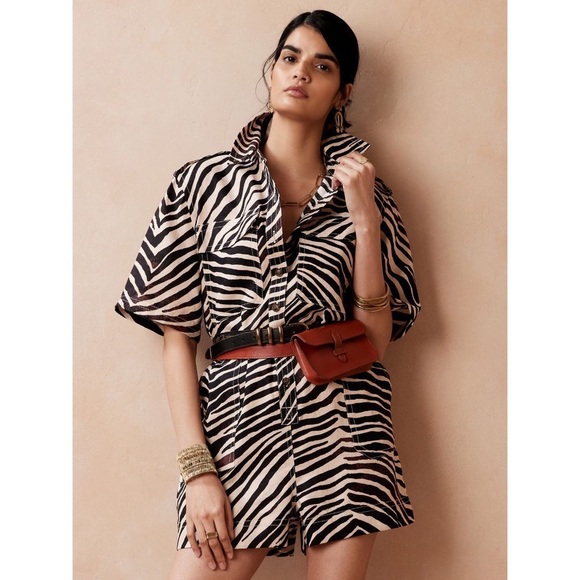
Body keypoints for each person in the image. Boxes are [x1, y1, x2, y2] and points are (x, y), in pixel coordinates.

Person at [115, 10, 420, 580]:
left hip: (345, 422)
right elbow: (176, 339)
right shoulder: (200, 185)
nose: (300, 72)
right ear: (272, 69)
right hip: (237, 422)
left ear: (343, 92)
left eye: (322, 65)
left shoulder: (370, 194)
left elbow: (375, 340)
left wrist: (365, 221)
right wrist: (197, 469)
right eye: (290, 57)